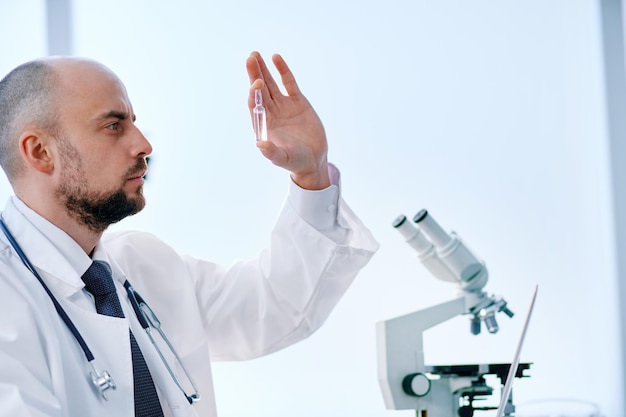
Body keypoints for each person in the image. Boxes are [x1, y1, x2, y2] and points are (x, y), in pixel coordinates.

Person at [0, 52, 378, 417]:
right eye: (114, 126)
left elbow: (278, 303)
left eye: (134, 121)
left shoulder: (142, 265)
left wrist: (312, 175)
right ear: (40, 152)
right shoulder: (8, 296)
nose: (144, 145)